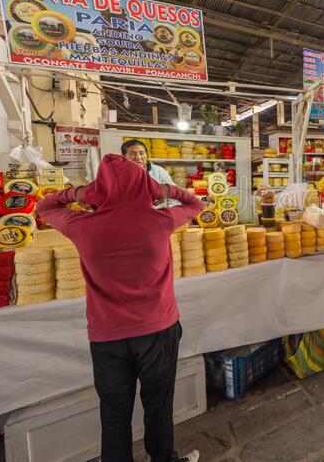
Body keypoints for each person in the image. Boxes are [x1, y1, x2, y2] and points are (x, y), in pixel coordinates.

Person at [37, 155, 205, 462]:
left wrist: (78, 193)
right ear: (145, 184)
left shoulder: (81, 225)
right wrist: (163, 191)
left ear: (99, 189)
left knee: (114, 412)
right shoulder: (160, 220)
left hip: (107, 335)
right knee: (158, 404)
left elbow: (45, 207)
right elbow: (196, 204)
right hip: (158, 328)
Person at [122, 139, 179, 208]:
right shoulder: (119, 175)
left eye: (141, 153)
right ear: (123, 157)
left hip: (158, 216)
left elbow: (175, 196)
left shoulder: (159, 171)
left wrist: (171, 213)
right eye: (132, 154)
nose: (138, 157)